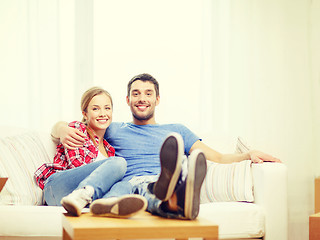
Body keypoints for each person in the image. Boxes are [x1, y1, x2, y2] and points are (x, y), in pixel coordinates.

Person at [52, 73, 281, 219]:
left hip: (155, 183)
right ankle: (172, 200)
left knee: (151, 190)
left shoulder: (177, 131)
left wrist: (248, 155)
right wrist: (61, 129)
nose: (142, 98)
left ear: (157, 99)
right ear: (127, 100)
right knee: (136, 188)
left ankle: (175, 189)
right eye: (136, 94)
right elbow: (81, 125)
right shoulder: (113, 128)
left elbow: (217, 157)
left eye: (148, 93)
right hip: (128, 184)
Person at [34, 87, 147, 217]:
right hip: (57, 188)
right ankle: (81, 195)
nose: (103, 113)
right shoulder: (78, 129)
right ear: (85, 114)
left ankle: (106, 204)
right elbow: (76, 165)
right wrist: (61, 128)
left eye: (107, 108)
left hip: (83, 200)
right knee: (119, 163)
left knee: (125, 185)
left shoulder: (109, 149)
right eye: (95, 109)